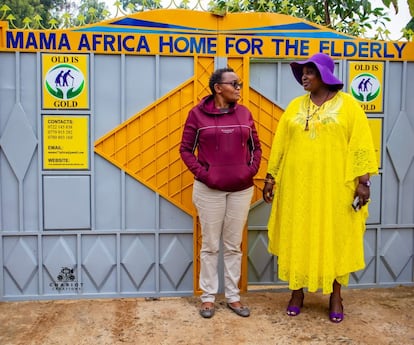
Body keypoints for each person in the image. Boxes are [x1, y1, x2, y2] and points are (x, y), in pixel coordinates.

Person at [263, 53, 378, 323]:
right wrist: (271, 177)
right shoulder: (294, 106)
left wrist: (364, 182)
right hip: (297, 186)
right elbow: (280, 143)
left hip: (334, 186)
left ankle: (335, 295)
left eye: (309, 72)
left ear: (324, 75)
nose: (303, 77)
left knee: (334, 236)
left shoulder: (349, 107)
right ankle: (296, 292)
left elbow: (360, 145)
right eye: (302, 72)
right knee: (298, 233)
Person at [180, 67, 262, 318]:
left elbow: (256, 148)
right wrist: (206, 175)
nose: (239, 87)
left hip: (240, 190)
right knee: (210, 245)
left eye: (239, 83)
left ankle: (233, 297)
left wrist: (249, 172)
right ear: (218, 88)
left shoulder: (245, 113)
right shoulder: (196, 115)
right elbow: (185, 150)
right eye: (234, 84)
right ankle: (207, 298)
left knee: (233, 245)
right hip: (209, 191)